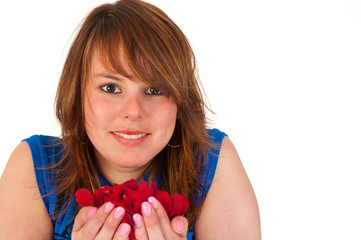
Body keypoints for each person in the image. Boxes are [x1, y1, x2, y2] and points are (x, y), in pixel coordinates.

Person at [0, 0, 261, 239]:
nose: (133, 111)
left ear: (181, 100)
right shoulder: (37, 167)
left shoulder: (212, 160)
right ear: (77, 92)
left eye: (154, 90)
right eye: (111, 88)